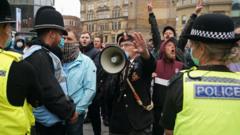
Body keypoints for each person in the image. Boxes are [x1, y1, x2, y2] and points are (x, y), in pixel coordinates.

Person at [161, 14, 240, 135]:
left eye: (192, 45)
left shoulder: (181, 82)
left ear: (202, 49)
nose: (191, 49)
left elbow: (169, 130)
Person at [23, 6, 78, 135]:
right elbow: (50, 91)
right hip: (47, 126)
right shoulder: (40, 56)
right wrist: (69, 112)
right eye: (60, 34)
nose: (61, 39)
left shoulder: (37, 53)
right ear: (52, 34)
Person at [0, 0, 42, 134]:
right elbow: (36, 100)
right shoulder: (19, 66)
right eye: (9, 27)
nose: (10, 31)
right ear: (4, 28)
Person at [109, 32, 155, 135]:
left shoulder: (141, 62)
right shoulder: (116, 65)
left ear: (136, 48)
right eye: (121, 45)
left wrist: (145, 54)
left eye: (127, 45)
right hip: (118, 122)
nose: (123, 48)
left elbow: (150, 65)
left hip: (138, 122)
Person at [62, 28, 97, 135]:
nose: (66, 41)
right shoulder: (56, 59)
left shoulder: (86, 62)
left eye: (69, 39)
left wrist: (78, 111)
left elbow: (90, 89)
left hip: (75, 113)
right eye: (63, 38)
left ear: (76, 41)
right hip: (56, 112)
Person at [151, 37, 184, 135]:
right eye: (169, 45)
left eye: (174, 46)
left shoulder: (181, 66)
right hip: (157, 111)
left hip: (175, 112)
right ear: (163, 49)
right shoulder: (155, 65)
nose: (172, 47)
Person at [79, 32, 103, 135]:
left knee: (94, 114)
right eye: (82, 37)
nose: (84, 39)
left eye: (87, 38)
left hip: (92, 88)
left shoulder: (96, 52)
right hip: (79, 88)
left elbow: (96, 68)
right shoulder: (77, 51)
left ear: (90, 40)